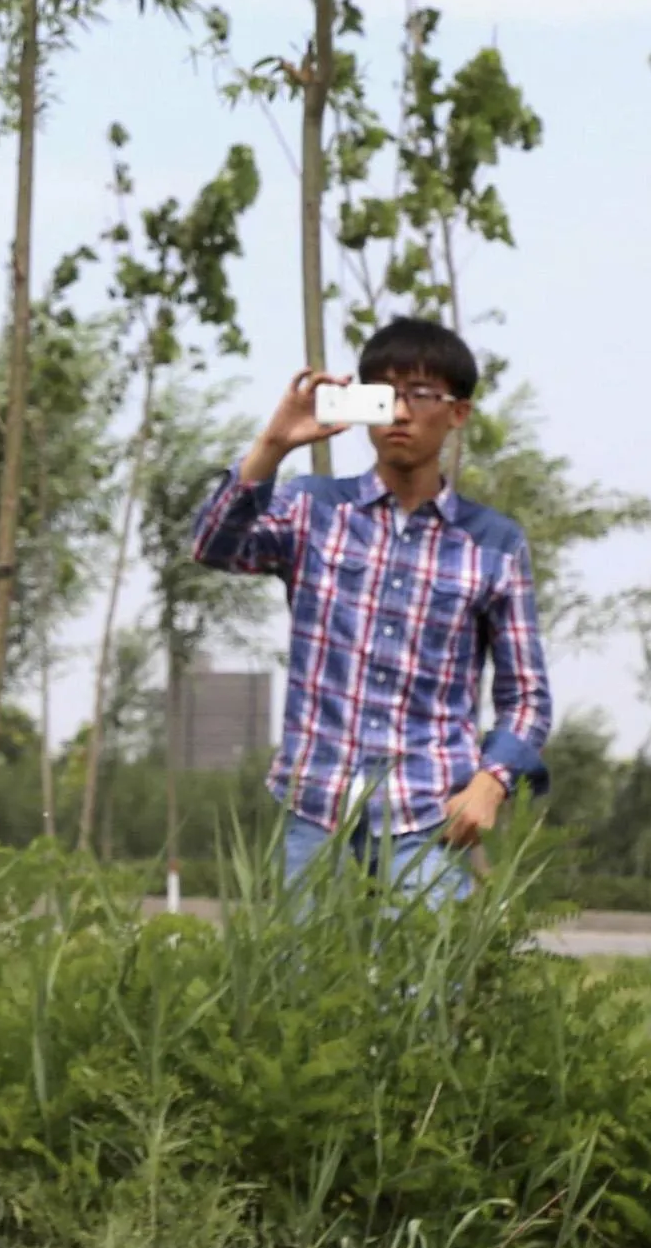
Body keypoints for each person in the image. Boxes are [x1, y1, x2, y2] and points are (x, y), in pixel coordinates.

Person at [191, 316, 553, 903]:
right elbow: (213, 546)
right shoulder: (313, 510)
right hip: (314, 806)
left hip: (429, 815)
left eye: (422, 395)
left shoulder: (493, 544)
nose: (402, 414)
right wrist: (274, 444)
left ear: (458, 413)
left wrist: (493, 781)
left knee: (421, 993)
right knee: (299, 989)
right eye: (385, 395)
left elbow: (528, 698)